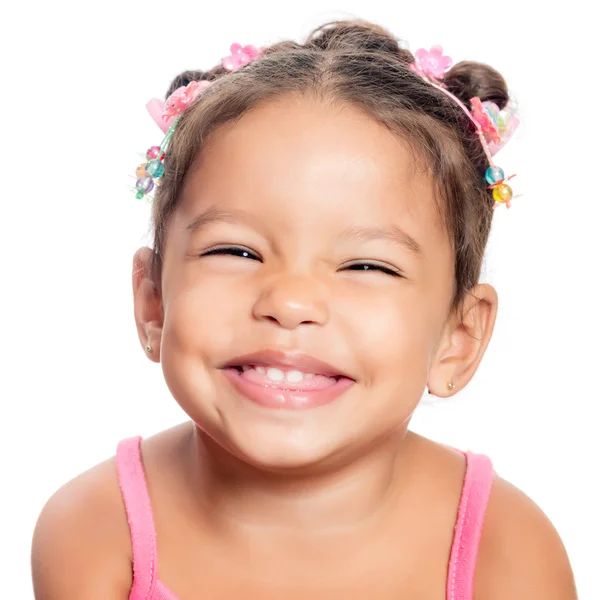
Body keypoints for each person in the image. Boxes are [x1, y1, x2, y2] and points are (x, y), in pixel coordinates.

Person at [31, 19, 577, 600]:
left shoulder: (509, 552)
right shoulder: (95, 532)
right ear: (154, 302)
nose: (289, 302)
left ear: (458, 338)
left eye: (367, 265)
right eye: (236, 250)